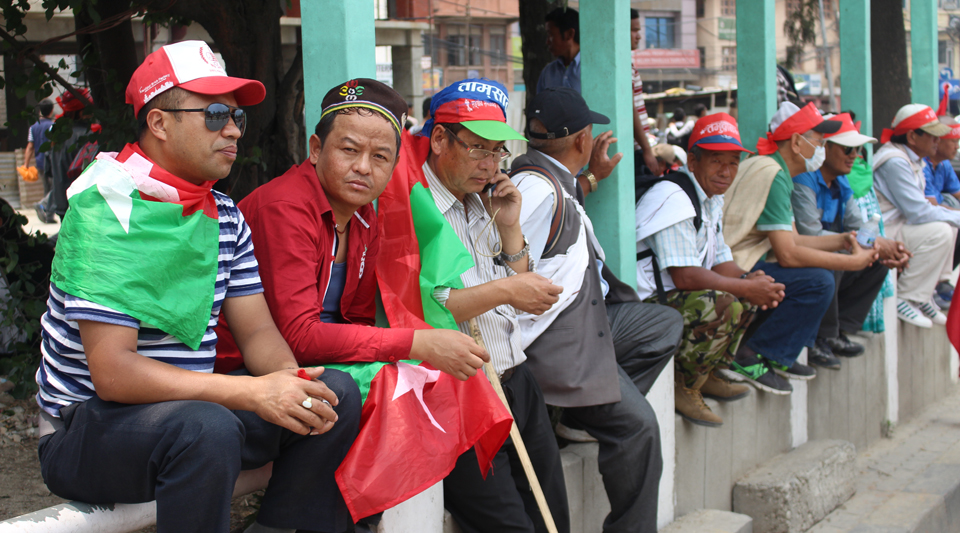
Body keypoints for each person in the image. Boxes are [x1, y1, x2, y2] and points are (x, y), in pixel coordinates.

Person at [34, 41, 360, 533]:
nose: (232, 130)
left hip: (195, 419)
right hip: (90, 431)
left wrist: (288, 387)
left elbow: (258, 336)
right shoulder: (105, 209)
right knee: (206, 426)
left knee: (332, 391)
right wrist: (251, 395)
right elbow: (114, 375)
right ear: (160, 122)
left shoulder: (224, 215)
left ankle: (278, 527)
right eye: (213, 114)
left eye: (236, 118)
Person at [214, 78, 488, 382]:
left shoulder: (365, 217)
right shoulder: (284, 207)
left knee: (437, 380)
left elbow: (356, 319)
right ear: (316, 149)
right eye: (349, 149)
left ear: (395, 164)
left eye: (380, 157)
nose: (363, 167)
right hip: (249, 371)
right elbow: (299, 336)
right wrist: (417, 342)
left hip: (320, 362)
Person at [391, 79, 569, 533]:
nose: (489, 164)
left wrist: (510, 229)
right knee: (508, 526)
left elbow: (516, 281)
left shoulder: (483, 198)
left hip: (514, 376)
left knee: (553, 514)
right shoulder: (412, 203)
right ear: (439, 139)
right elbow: (432, 305)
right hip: (461, 391)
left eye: (497, 152)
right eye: (477, 149)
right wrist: (511, 291)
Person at [511, 87, 680, 532]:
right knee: (639, 430)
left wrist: (593, 177)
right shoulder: (534, 188)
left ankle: (583, 412)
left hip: (593, 319)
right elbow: (514, 261)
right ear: (583, 139)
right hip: (560, 339)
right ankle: (589, 409)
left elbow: (561, 210)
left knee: (662, 324)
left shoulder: (551, 180)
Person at [636, 113, 782, 426]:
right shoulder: (674, 197)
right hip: (642, 305)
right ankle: (684, 386)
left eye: (733, 163)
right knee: (725, 303)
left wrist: (749, 280)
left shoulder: (710, 198)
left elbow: (721, 261)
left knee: (753, 293)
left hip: (677, 296)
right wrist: (743, 287)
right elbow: (685, 276)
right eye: (717, 161)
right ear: (692, 160)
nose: (726, 172)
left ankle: (708, 373)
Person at [721, 102, 876, 393]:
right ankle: (749, 355)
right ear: (796, 142)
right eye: (818, 141)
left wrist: (843, 240)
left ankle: (776, 354)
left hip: (733, 259)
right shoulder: (774, 174)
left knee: (820, 271)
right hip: (733, 264)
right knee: (817, 281)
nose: (821, 147)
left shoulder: (775, 170)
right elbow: (789, 254)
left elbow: (793, 239)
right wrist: (852, 261)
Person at [791, 113, 908, 368]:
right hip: (800, 258)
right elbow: (809, 235)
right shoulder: (804, 179)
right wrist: (867, 243)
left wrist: (882, 246)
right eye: (847, 148)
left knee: (878, 261)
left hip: (829, 251)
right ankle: (821, 337)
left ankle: (838, 331)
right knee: (834, 261)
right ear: (824, 147)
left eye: (858, 149)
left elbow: (858, 227)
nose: (855, 154)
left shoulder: (842, 181)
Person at [873, 104, 958, 327]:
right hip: (883, 231)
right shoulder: (895, 161)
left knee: (949, 227)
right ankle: (906, 297)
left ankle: (924, 294)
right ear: (912, 136)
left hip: (899, 225)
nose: (937, 141)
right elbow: (919, 212)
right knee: (940, 230)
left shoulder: (912, 159)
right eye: (932, 136)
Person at [37, 90, 94, 223]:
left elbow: (49, 170)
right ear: (80, 112)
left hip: (61, 200)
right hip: (81, 203)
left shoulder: (58, 135)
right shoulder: (88, 136)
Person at [922, 116, 960, 308]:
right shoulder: (922, 165)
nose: (957, 146)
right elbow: (931, 205)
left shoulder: (943, 163)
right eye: (953, 141)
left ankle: (942, 283)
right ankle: (937, 285)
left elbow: (957, 193)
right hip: (917, 223)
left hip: (933, 216)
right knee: (952, 226)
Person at [24, 98, 54, 185]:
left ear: (40, 110)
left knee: (46, 188)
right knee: (54, 189)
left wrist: (26, 164)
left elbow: (30, 147)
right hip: (52, 163)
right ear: (51, 111)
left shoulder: (33, 128)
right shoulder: (54, 126)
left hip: (40, 163)